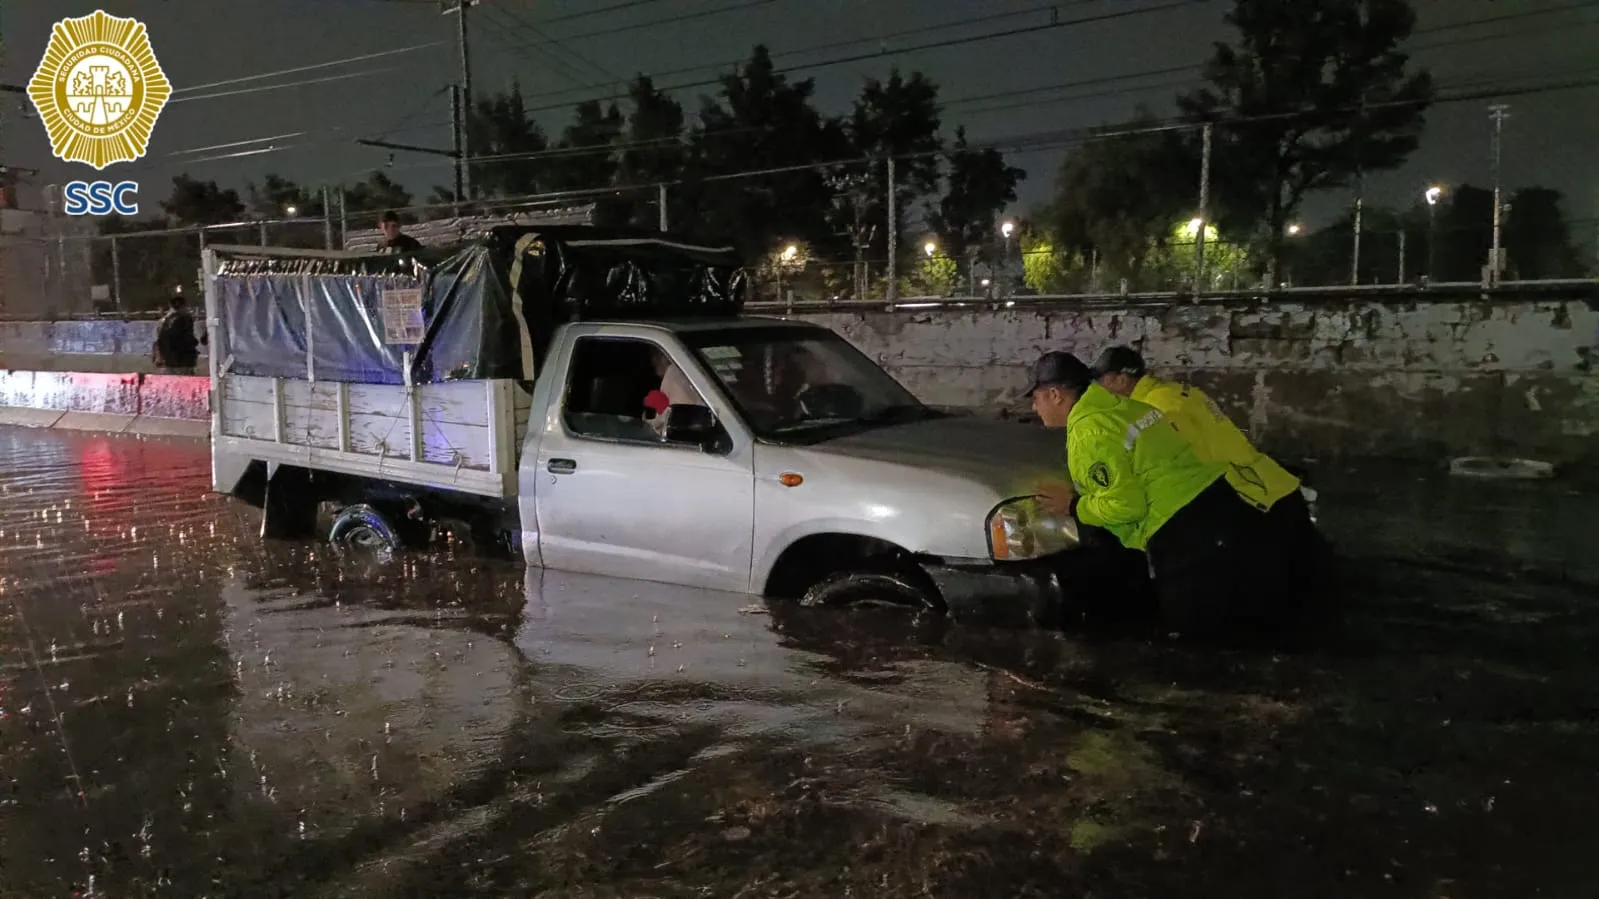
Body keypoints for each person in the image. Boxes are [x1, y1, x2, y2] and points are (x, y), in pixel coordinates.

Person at [1025, 350, 1289, 637]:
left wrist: (1075, 506)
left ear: (1055, 394)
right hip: (1219, 506)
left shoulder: (1090, 430)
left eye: (1035, 399)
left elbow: (1127, 507)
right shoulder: (1128, 408)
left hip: (1184, 533)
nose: (1034, 409)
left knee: (1202, 636)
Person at [1089, 345, 1324, 564]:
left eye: (1102, 382)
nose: (1099, 390)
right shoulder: (1171, 392)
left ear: (1121, 379)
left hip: (1247, 495)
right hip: (1264, 482)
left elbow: (1182, 466)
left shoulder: (1156, 408)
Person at [152, 295, 202, 375]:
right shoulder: (185, 319)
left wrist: (158, 356)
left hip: (167, 360)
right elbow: (188, 339)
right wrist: (195, 343)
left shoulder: (162, 322)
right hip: (183, 360)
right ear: (183, 306)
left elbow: (158, 341)